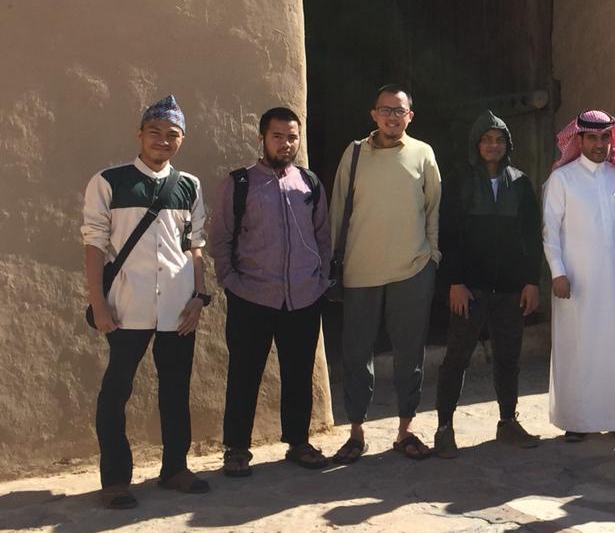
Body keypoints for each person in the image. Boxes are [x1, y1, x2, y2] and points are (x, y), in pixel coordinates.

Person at [82, 95, 211, 509]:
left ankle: (175, 468)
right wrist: (98, 302)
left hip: (177, 306)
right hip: (126, 305)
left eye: (172, 134)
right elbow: (94, 244)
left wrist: (199, 297)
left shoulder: (189, 185)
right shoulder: (109, 181)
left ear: (181, 140)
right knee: (116, 390)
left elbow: (195, 245)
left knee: (176, 389)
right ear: (140, 134)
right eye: (154, 132)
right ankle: (115, 479)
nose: (163, 140)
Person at [207, 106, 331, 477]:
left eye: (292, 137)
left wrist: (320, 280)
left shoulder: (309, 183)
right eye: (277, 136)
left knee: (299, 372)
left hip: (303, 297)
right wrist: (231, 282)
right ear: (262, 138)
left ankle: (298, 442)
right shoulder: (240, 183)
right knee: (244, 374)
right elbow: (220, 237)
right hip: (252, 297)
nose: (285, 143)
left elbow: (323, 235)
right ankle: (236, 449)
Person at [329, 85, 442, 464]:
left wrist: (432, 255)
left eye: (399, 110)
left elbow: (433, 207)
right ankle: (356, 432)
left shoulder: (423, 153)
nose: (392, 117)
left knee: (409, 353)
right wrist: (333, 261)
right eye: (385, 110)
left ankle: (405, 429)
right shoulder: (355, 153)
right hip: (360, 270)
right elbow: (338, 208)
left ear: (410, 116)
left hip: (412, 269)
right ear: (373, 114)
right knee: (356, 352)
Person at [434, 111, 542, 457]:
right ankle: (444, 428)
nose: (493, 146)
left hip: (510, 289)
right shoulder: (459, 182)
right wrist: (455, 282)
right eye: (486, 140)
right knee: (457, 358)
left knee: (508, 358)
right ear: (476, 144)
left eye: (499, 140)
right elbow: (448, 235)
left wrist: (531, 281)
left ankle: (508, 421)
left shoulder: (520, 183)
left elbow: (531, 237)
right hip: (470, 289)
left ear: (507, 144)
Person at [543, 111, 615, 441]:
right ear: (580, 140)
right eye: (592, 138)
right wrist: (558, 273)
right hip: (576, 283)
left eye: (605, 138)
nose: (600, 144)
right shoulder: (562, 179)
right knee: (578, 349)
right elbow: (550, 231)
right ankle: (577, 421)